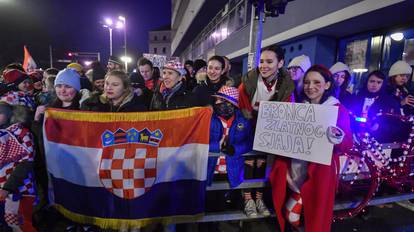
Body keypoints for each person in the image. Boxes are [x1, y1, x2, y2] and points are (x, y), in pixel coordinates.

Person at [271, 65, 352, 232]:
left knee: (314, 215)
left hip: (319, 172)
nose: (310, 86)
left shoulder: (337, 109)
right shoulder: (298, 107)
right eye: (307, 82)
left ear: (327, 85)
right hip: (295, 169)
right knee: (291, 216)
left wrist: (337, 137)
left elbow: (347, 144)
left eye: (317, 82)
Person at [238, 44, 295, 217]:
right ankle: (248, 198)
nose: (264, 65)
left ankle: (260, 198)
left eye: (269, 61)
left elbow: (287, 109)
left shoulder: (287, 85)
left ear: (280, 63)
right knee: (249, 161)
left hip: (271, 129)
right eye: (261, 61)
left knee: (264, 163)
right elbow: (242, 109)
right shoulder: (247, 82)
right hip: (249, 128)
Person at [206, 86, 253, 188]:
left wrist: (235, 149)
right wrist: (216, 146)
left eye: (221, 100)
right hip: (210, 172)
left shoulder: (244, 120)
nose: (217, 103)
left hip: (233, 173)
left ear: (231, 104)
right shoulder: (208, 119)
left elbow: (250, 142)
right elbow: (197, 143)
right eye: (216, 99)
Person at [0, 103, 36, 232]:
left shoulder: (21, 133)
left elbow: (27, 162)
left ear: (9, 114)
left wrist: (8, 188)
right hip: (3, 189)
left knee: (19, 225)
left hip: (19, 190)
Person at [81, 70, 147, 112]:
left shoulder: (137, 108)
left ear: (125, 88)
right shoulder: (93, 103)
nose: (109, 88)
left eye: (115, 85)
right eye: (106, 83)